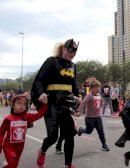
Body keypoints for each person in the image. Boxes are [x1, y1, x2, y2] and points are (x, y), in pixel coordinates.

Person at [31, 39, 80, 168]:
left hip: (66, 105)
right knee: (52, 137)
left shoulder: (73, 66)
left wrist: (78, 96)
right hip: (52, 104)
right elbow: (39, 80)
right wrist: (41, 93)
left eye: (75, 52)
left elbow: (74, 84)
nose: (73, 53)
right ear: (64, 48)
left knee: (69, 135)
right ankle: (42, 151)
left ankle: (68, 164)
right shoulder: (52, 61)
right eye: (71, 50)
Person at [0, 93, 48, 168]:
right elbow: (1, 133)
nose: (22, 105)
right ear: (13, 105)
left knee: (14, 165)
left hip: (20, 146)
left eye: (24, 104)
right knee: (12, 163)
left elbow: (40, 114)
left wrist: (44, 104)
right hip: (8, 146)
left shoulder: (27, 117)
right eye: (19, 103)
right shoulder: (8, 119)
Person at [76, 79, 110, 151]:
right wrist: (79, 111)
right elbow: (83, 103)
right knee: (88, 131)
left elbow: (101, 103)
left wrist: (102, 104)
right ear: (91, 88)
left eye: (99, 87)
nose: (98, 89)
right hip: (89, 118)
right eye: (96, 88)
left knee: (101, 131)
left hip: (98, 117)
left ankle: (104, 144)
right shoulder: (89, 96)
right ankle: (81, 130)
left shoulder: (99, 95)